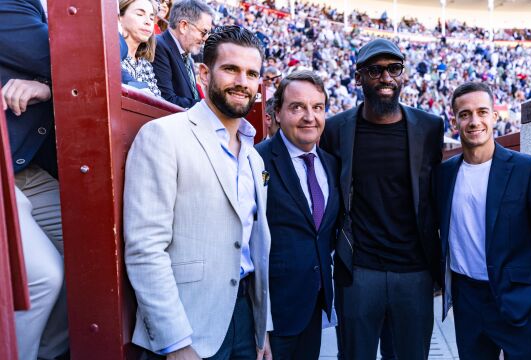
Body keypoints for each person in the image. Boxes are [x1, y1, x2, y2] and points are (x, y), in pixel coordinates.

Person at [124, 25, 272, 359]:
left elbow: (257, 246)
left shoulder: (253, 154)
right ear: (204, 73)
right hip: (188, 325)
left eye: (251, 73)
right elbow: (146, 248)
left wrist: (264, 328)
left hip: (246, 319)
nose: (242, 81)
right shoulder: (163, 136)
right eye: (231, 69)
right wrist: (175, 342)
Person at [320, 38, 443, 359]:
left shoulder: (430, 128)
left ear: (403, 75)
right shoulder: (334, 130)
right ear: (359, 77)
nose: (386, 78)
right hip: (359, 272)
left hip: (414, 273)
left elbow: (436, 195)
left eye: (394, 69)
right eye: (375, 70)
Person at [434, 82, 531, 359]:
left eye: (482, 112)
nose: (474, 121)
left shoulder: (530, 169)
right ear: (454, 121)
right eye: (465, 114)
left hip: (519, 302)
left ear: (495, 116)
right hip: (468, 300)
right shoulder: (444, 174)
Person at [0, 0, 68, 358]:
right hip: (4, 168)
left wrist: (48, 87)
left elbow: (115, 58)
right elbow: (77, 55)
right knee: (44, 276)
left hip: (25, 168)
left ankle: (46, 354)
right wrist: (52, 79)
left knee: (93, 249)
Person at [255, 70, 339, 360]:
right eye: (297, 107)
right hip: (273, 318)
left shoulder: (331, 163)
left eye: (317, 108)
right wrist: (259, 325)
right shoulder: (257, 160)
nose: (309, 117)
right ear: (277, 113)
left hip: (314, 307)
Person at [152, 0, 213, 108]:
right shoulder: (160, 47)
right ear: (184, 26)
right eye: (203, 32)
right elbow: (166, 100)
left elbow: (192, 95)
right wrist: (209, 108)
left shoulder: (185, 53)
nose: (206, 38)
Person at [119, 0, 162, 97]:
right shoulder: (110, 55)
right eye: (140, 14)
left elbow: (157, 102)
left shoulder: (145, 64)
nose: (148, 22)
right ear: (119, 18)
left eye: (151, 18)